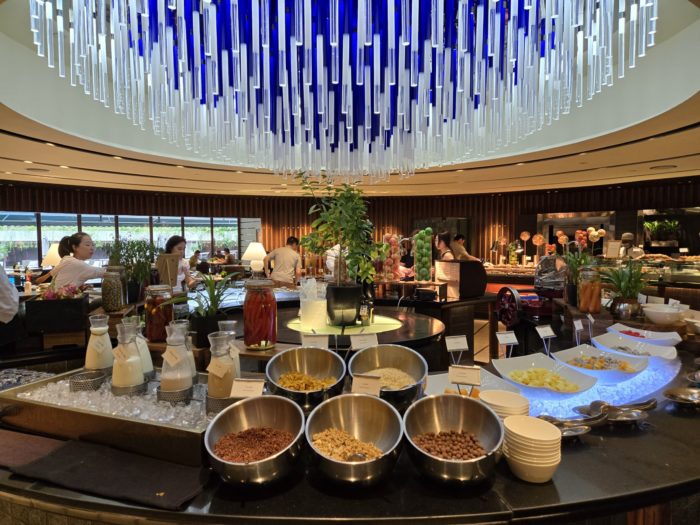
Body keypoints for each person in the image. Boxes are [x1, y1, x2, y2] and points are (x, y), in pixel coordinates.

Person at [36, 233, 106, 288]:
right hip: (63, 302)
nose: (92, 248)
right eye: (87, 245)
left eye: (93, 245)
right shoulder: (76, 264)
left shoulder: (67, 259)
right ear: (74, 247)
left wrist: (79, 287)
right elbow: (105, 273)